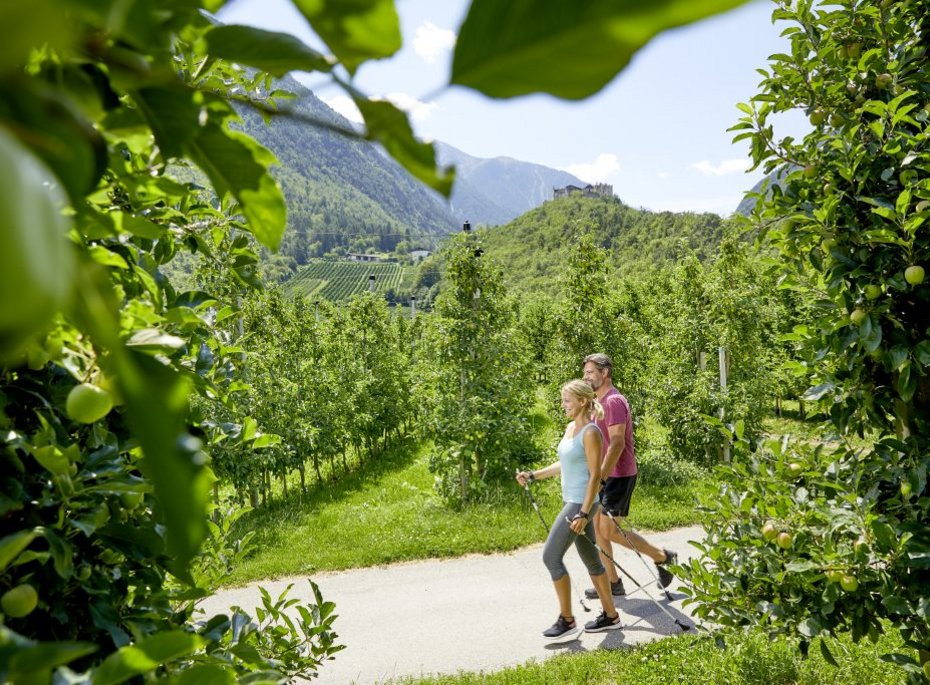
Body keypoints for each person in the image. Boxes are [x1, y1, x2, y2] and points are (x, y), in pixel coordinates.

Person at [516, 379, 622, 643]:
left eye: (567, 400)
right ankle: (611, 616)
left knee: (551, 557)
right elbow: (564, 462)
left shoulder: (591, 432)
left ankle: (567, 620)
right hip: (577, 504)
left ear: (582, 401)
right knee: (592, 561)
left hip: (580, 504)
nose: (563, 405)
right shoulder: (570, 428)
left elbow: (595, 475)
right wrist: (534, 475)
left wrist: (584, 513)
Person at [580, 353, 677, 600]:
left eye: (591, 372)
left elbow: (617, 444)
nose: (586, 376)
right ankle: (613, 583)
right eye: (585, 372)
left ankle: (662, 556)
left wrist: (601, 475)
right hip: (603, 474)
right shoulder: (599, 402)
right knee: (598, 530)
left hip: (618, 475)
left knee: (609, 531)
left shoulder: (613, 402)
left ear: (605, 373)